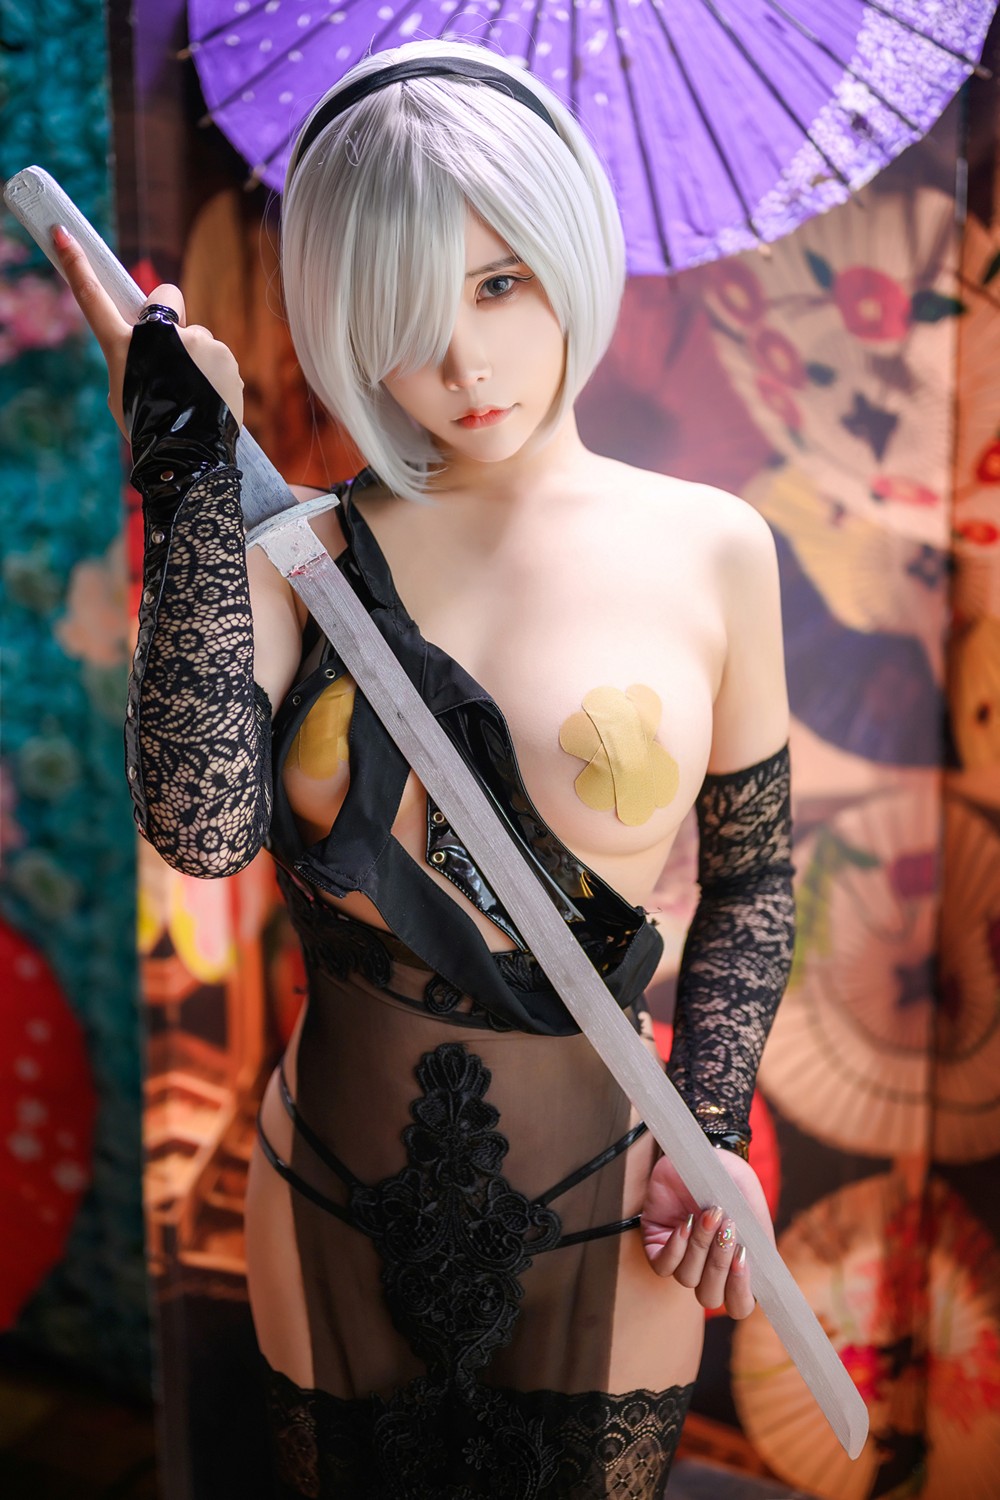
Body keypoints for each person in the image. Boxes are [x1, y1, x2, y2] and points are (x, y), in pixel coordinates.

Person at [56, 38, 794, 1499]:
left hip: (617, 1196)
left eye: (500, 283)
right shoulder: (298, 556)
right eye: (405, 313)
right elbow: (199, 829)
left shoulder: (714, 547)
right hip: (327, 1188)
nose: (463, 362)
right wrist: (189, 479)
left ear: (568, 251)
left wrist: (710, 1131)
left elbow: (756, 878)